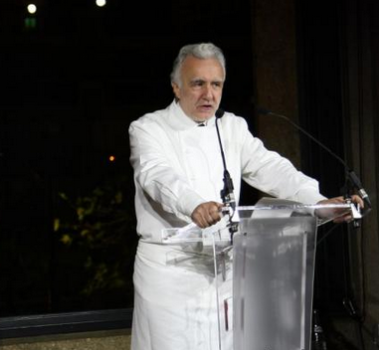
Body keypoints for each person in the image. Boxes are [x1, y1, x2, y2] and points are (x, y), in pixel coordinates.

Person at [128, 42, 363, 350]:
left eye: (216, 84)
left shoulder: (231, 127)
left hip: (224, 275)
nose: (208, 94)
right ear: (176, 86)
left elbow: (271, 168)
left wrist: (317, 201)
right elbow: (156, 175)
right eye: (198, 83)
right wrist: (193, 204)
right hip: (171, 278)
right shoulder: (148, 128)